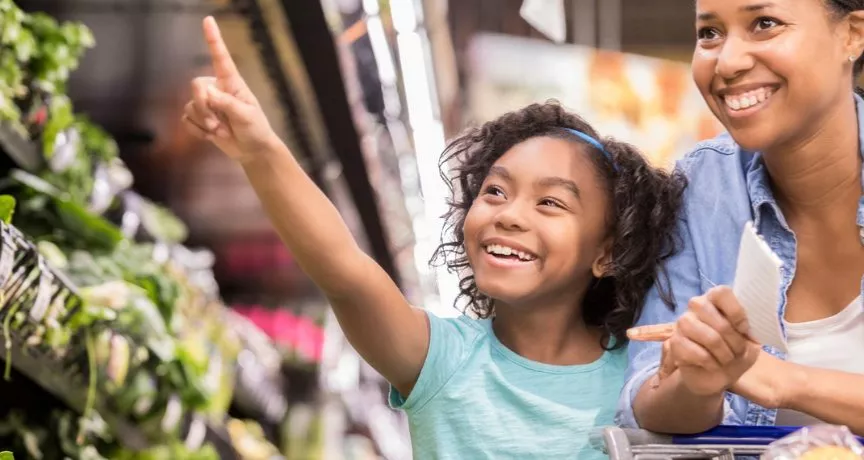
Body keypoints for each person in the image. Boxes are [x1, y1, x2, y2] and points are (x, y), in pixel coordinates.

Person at [185, 17, 686, 459]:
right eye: (494, 191)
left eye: (550, 203)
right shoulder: (440, 359)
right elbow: (344, 271)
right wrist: (259, 149)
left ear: (607, 252)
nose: (508, 215)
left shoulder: (642, 383)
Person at [619, 0, 864, 435]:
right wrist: (697, 381)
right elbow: (649, 403)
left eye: (764, 24)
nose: (727, 62)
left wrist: (782, 381)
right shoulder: (700, 188)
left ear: (853, 34)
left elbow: (766, 379)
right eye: (709, 33)